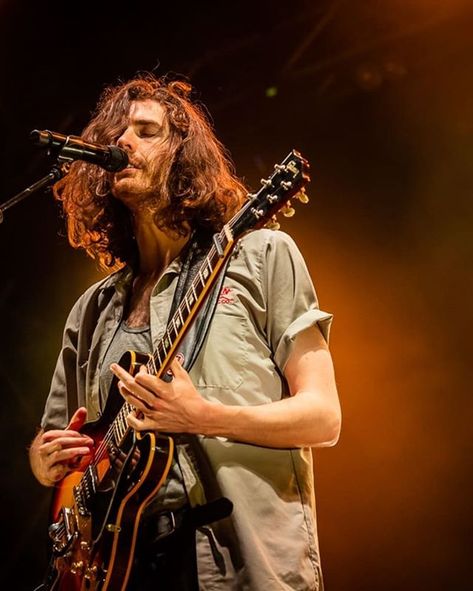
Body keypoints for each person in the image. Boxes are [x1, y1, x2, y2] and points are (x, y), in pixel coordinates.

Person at [28, 72, 341, 591]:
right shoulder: (91, 310)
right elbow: (59, 444)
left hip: (239, 561)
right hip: (117, 566)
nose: (122, 142)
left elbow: (324, 417)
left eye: (145, 131)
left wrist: (205, 417)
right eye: (115, 135)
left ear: (182, 154)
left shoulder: (261, 255)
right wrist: (44, 461)